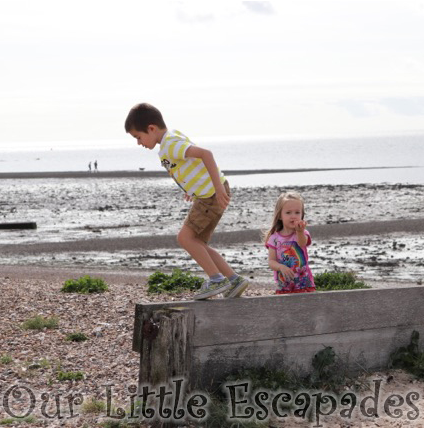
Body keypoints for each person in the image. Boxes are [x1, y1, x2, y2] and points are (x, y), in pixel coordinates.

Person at [124, 103, 249, 300]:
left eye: (138, 137)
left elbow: (206, 154)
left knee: (184, 238)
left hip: (210, 195)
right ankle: (234, 280)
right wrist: (191, 188)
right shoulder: (170, 141)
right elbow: (189, 165)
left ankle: (216, 280)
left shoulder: (170, 143)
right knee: (198, 243)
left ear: (151, 128)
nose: (139, 143)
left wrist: (216, 188)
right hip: (207, 193)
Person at [264, 192, 315, 294]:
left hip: (304, 283)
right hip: (283, 285)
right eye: (288, 213)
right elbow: (271, 261)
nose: (293, 216)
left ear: (302, 214)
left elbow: (302, 243)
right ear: (280, 216)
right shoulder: (274, 238)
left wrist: (300, 232)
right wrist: (280, 267)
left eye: (297, 213)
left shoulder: (302, 233)